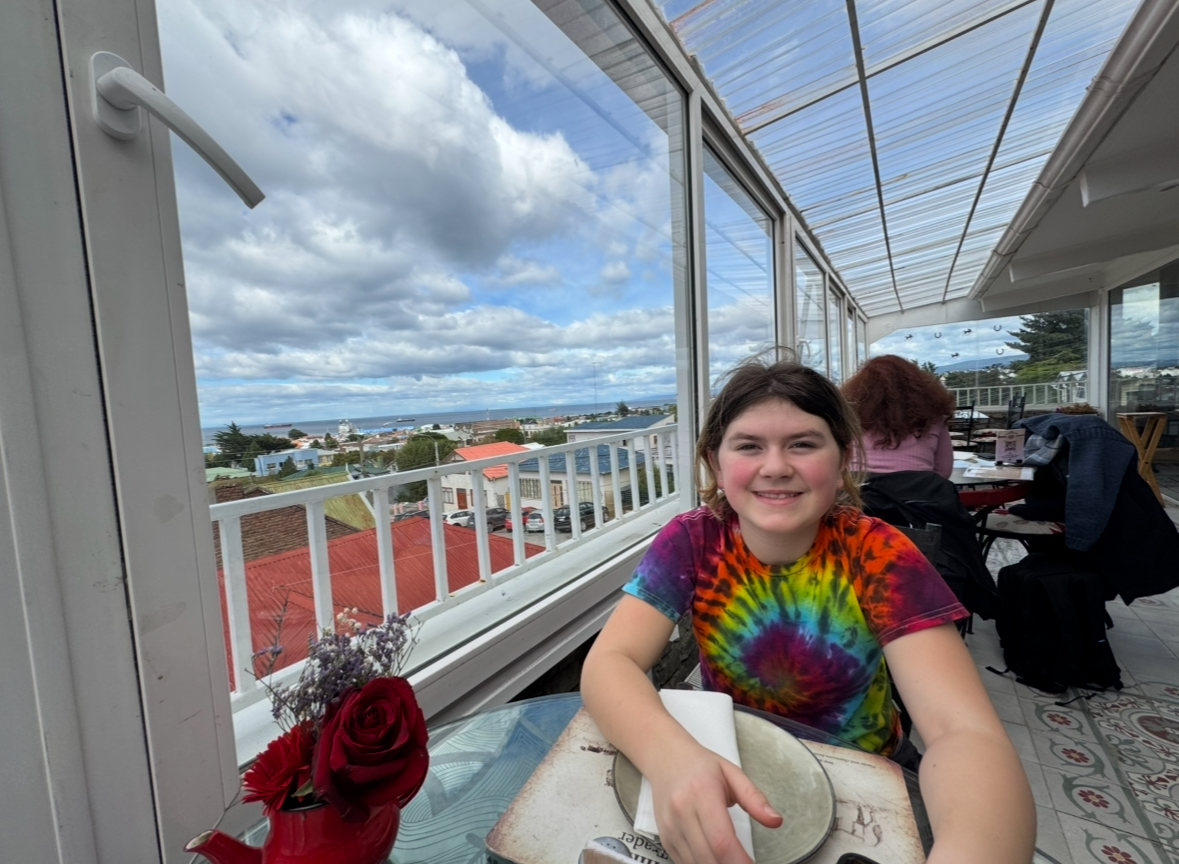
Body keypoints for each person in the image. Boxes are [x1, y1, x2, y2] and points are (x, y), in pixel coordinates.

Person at [580, 352, 1034, 864]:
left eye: (803, 444)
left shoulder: (877, 552)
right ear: (715, 462)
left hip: (863, 777)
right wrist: (671, 757)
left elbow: (962, 731)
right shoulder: (692, 539)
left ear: (842, 461)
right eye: (749, 446)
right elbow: (610, 661)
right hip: (734, 759)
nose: (775, 467)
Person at [841, 354, 956, 477]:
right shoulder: (934, 418)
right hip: (918, 491)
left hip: (859, 490)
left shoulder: (848, 417)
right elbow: (944, 471)